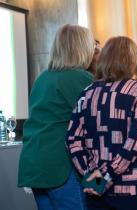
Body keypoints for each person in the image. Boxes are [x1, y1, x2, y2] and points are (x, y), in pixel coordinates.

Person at [65, 36, 137, 210]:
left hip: (97, 189)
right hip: (135, 190)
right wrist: (106, 175)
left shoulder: (87, 93)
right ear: (133, 60)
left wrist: (94, 176)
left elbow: (72, 139)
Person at [18, 24, 94, 210]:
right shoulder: (81, 78)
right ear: (82, 48)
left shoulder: (43, 78)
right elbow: (97, 124)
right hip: (61, 167)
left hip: (35, 165)